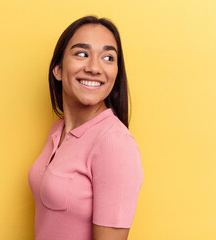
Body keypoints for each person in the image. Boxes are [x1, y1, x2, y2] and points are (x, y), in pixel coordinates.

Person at [28, 16, 144, 240]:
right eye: (82, 54)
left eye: (108, 58)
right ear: (58, 69)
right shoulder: (57, 130)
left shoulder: (115, 143)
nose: (94, 68)